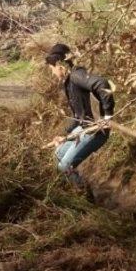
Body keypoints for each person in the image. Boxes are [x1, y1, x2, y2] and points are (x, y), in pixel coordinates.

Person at [45, 43, 114, 189]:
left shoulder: (77, 76)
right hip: (84, 127)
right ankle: (75, 185)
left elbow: (102, 83)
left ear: (59, 66)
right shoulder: (70, 81)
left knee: (64, 167)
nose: (52, 73)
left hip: (95, 130)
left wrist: (107, 117)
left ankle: (84, 194)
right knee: (58, 154)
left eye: (51, 69)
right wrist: (65, 134)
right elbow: (79, 115)